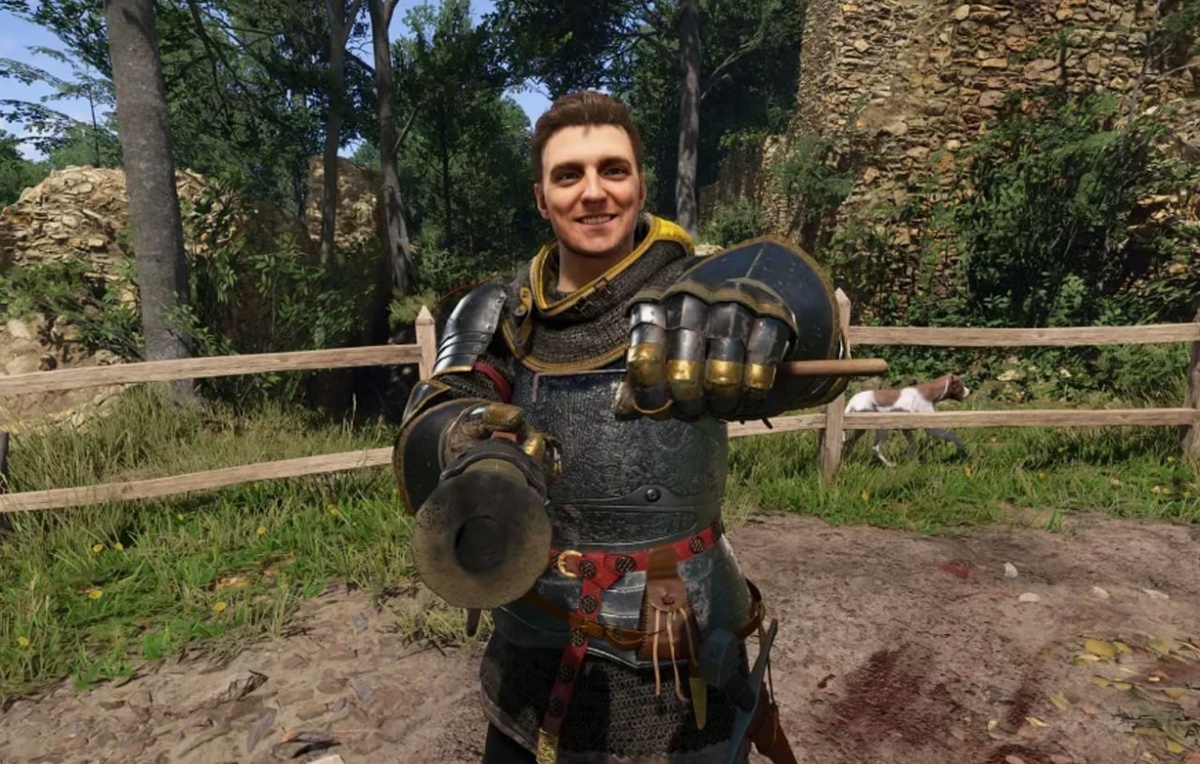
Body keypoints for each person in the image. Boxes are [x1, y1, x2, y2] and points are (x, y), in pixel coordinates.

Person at [393, 90, 848, 764]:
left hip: (674, 638)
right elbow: (436, 412)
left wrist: (767, 316)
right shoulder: (502, 313)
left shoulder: (703, 296)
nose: (593, 192)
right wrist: (469, 435)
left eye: (613, 169)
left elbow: (819, 355)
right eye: (568, 175)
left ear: (640, 185)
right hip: (530, 634)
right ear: (542, 198)